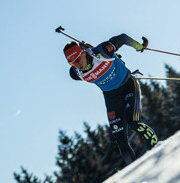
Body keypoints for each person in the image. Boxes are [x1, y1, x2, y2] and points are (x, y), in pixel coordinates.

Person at [63, 34, 159, 165]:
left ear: (83, 53)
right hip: (111, 97)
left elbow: (124, 38)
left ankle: (159, 150)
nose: (78, 64)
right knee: (120, 138)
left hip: (128, 85)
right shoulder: (75, 73)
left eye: (78, 58)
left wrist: (139, 46)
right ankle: (135, 171)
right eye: (73, 62)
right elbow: (74, 71)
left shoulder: (103, 51)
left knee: (134, 122)